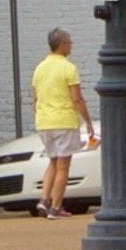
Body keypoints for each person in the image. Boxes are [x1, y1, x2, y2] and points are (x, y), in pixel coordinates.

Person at [30, 28, 90, 219]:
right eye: (70, 42)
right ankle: (56, 207)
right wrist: (87, 121)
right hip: (64, 120)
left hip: (44, 122)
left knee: (53, 162)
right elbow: (77, 99)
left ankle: (44, 199)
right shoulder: (68, 68)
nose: (71, 46)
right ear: (63, 44)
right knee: (63, 166)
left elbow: (35, 99)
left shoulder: (40, 68)